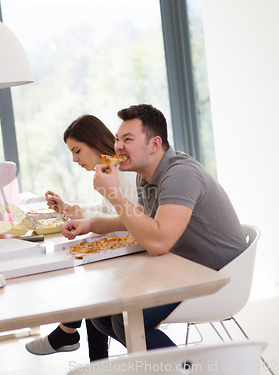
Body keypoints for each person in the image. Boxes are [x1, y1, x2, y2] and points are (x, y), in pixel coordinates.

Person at [61, 104, 247, 352]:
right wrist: (92, 224)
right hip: (183, 268)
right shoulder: (145, 176)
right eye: (117, 139)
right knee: (102, 317)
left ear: (154, 144)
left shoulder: (180, 174)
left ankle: (187, 369)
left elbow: (158, 242)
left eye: (128, 139)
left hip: (216, 277)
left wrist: (114, 193)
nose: (117, 146)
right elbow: (141, 220)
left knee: (126, 321)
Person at [26, 115, 137, 361]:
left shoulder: (125, 172)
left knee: (87, 275)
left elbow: (131, 220)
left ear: (95, 142)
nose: (74, 160)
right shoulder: (111, 168)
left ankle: (69, 335)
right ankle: (79, 344)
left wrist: (85, 221)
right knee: (86, 271)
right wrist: (68, 209)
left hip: (136, 254)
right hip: (125, 249)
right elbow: (109, 211)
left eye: (77, 151)